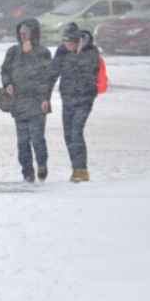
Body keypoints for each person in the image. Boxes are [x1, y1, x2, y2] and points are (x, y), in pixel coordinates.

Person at [0, 19, 53, 183]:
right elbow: (5, 70)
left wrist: (45, 98)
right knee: (23, 142)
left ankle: (42, 165)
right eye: (21, 33)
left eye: (26, 33)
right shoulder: (13, 52)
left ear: (34, 34)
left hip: (37, 102)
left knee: (37, 138)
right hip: (19, 102)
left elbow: (46, 77)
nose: (23, 36)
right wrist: (7, 83)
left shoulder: (43, 52)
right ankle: (27, 172)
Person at [47, 23, 100, 182]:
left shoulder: (90, 51)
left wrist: (78, 55)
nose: (66, 45)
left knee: (76, 132)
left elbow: (89, 73)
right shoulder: (62, 51)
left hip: (85, 99)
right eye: (64, 42)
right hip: (68, 99)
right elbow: (53, 73)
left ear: (77, 41)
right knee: (69, 135)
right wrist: (45, 96)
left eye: (69, 42)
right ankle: (76, 168)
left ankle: (82, 170)